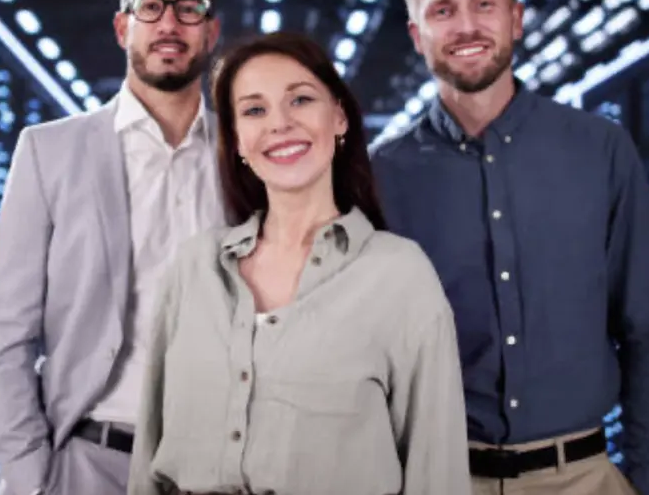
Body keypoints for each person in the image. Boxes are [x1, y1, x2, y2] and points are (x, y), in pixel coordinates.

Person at [370, 0, 649, 495]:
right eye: (443, 11)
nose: (466, 26)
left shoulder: (599, 150)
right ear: (418, 37)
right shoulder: (380, 176)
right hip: (440, 479)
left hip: (584, 479)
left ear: (516, 19)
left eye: (484, 4)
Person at [127, 31, 472, 495]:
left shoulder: (400, 275)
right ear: (238, 143)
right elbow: (149, 453)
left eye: (301, 100)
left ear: (339, 117)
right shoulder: (194, 267)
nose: (279, 124)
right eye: (254, 110)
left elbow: (437, 472)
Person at [0, 0, 224, 495]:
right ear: (122, 27)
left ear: (210, 31)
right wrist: (30, 476)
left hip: (213, 469)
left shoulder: (244, 158)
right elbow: (5, 333)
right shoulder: (50, 151)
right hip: (83, 463)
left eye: (190, 8)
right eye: (150, 6)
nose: (170, 23)